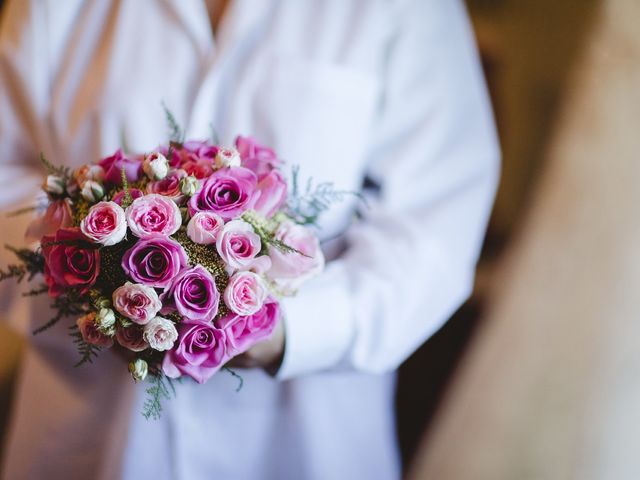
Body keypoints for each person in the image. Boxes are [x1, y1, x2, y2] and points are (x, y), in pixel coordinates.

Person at [0, 1, 499, 479]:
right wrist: (95, 274)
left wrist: (288, 331)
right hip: (88, 435)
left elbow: (436, 221)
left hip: (304, 441)